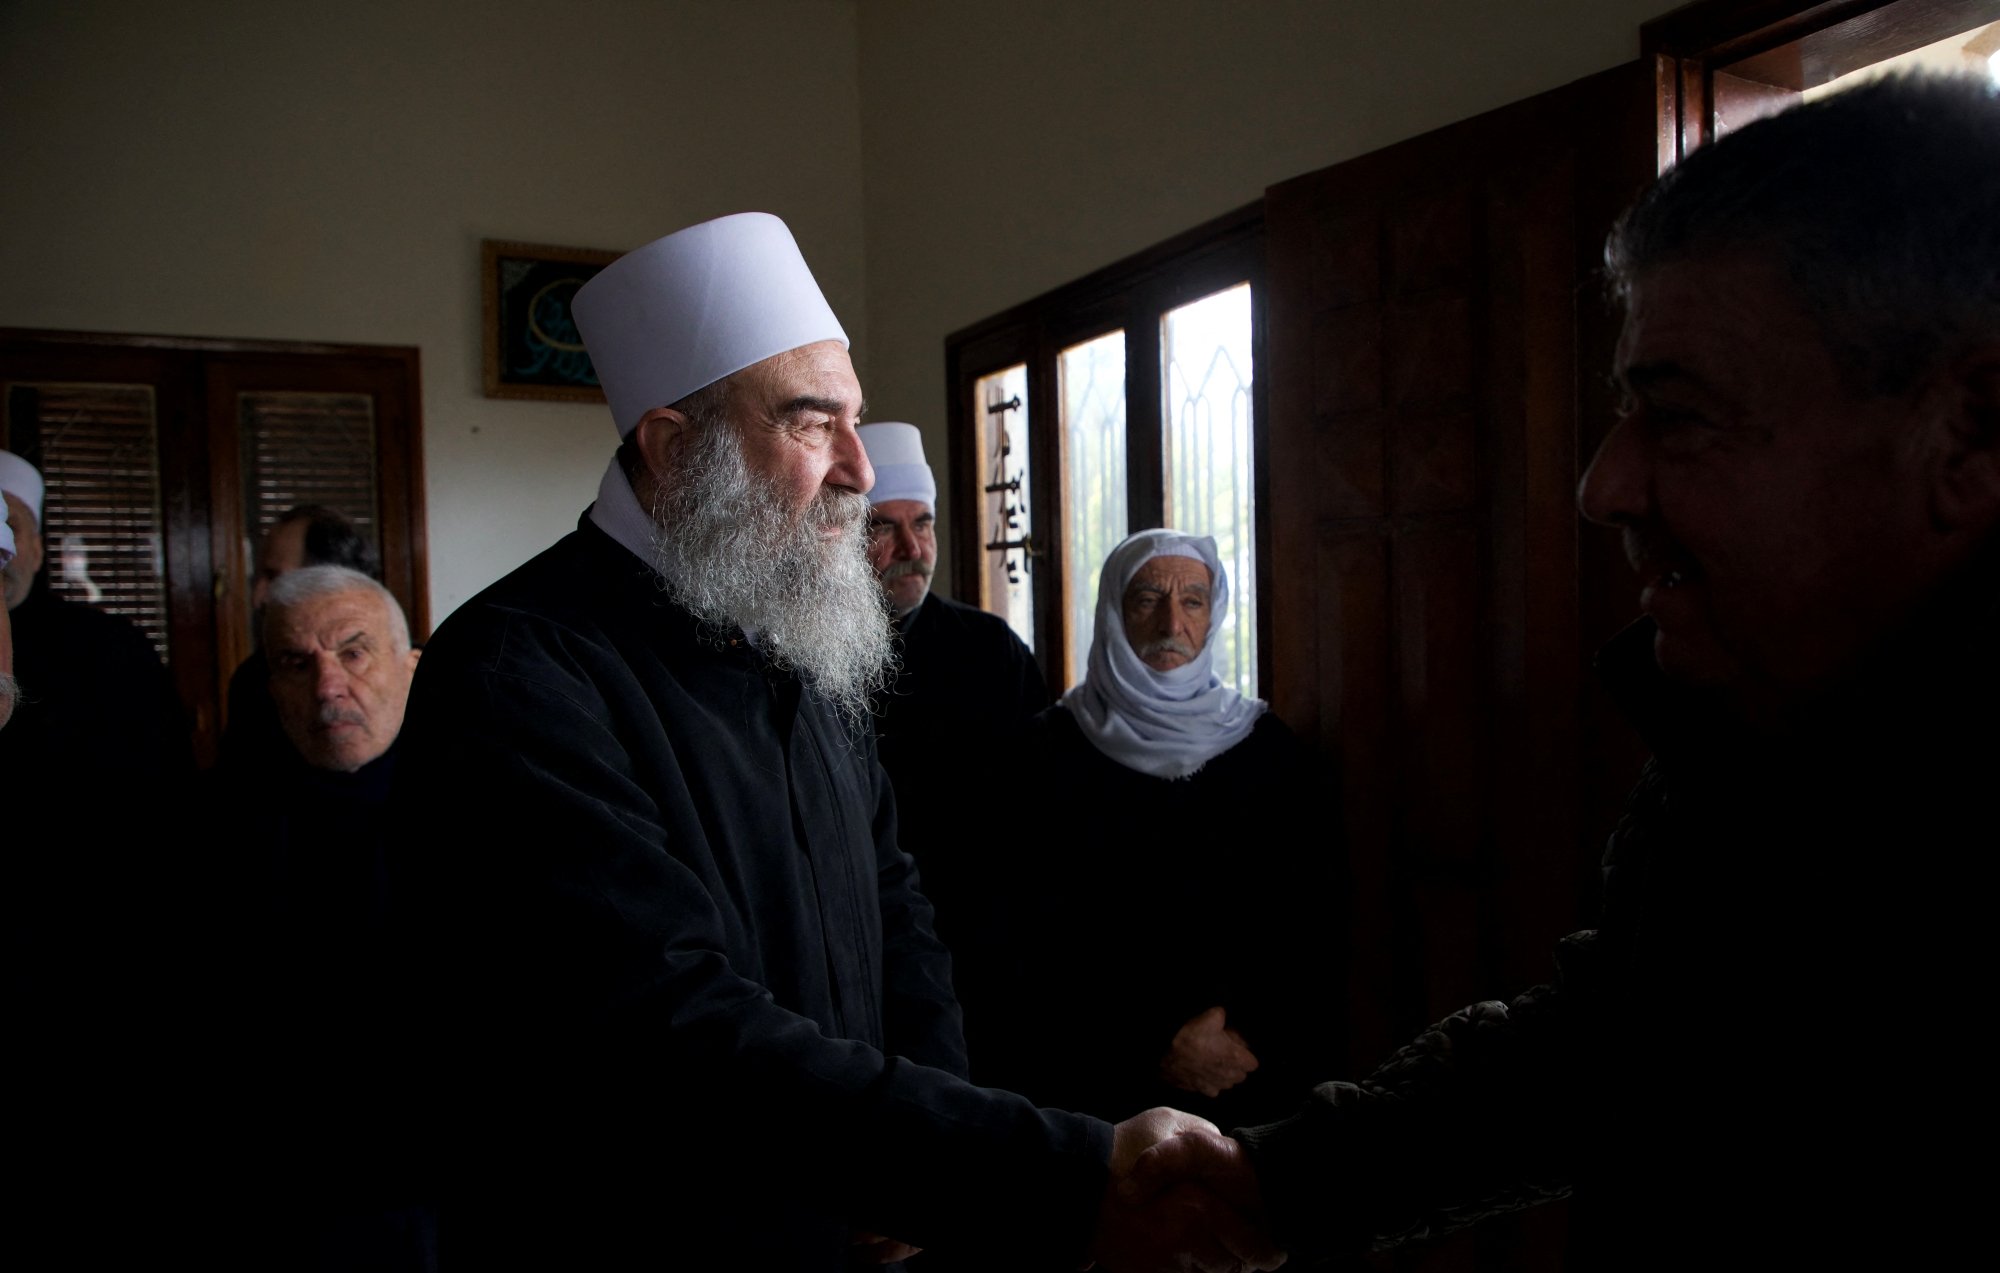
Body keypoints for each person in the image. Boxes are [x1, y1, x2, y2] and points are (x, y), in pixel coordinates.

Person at [1126, 74, 2000, 1270]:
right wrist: (1278, 1177)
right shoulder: (1739, 718)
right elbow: (1623, 1037)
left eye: (1678, 417)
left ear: (1968, 433)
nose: (1602, 486)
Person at [392, 213, 1278, 1272]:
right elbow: (666, 1020)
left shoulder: (786, 617)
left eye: (852, 421)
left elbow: (895, 906)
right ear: (676, 449)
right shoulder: (515, 669)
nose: (859, 468)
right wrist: (995, 1166)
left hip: (857, 1224)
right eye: (813, 424)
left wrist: (932, 1161)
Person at [972, 529, 1335, 1129]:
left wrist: (1243, 1035)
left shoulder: (1268, 751)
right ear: (1114, 610)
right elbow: (1017, 935)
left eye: (1192, 600)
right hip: (1089, 1087)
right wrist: (1151, 1046)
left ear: (1213, 615)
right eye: (1147, 598)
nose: (1172, 620)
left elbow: (1309, 922)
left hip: (1245, 1077)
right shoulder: (1044, 752)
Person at [200, 563, 431, 1269]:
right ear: (272, 689)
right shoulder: (215, 832)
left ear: (411, 666)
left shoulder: (493, 797)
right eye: (297, 664)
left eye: (353, 651)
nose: (329, 686)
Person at [856, 421, 1049, 986]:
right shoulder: (800, 651)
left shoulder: (991, 650)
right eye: (882, 528)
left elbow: (1036, 810)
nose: (911, 549)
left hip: (981, 934)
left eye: (923, 524)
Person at [219, 504, 381, 768]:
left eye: (274, 577)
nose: (258, 597)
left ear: (330, 580)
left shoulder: (428, 676)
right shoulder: (255, 678)